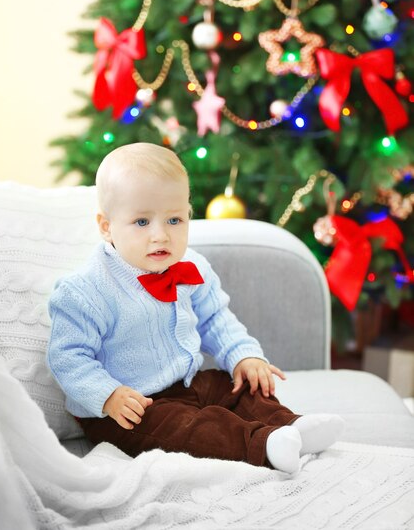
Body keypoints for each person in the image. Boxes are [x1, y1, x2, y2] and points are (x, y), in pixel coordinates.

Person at [47, 142, 344, 474]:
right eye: (142, 222)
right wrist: (108, 395)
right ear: (106, 226)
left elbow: (215, 320)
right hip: (129, 409)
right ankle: (262, 444)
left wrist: (243, 355)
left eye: (174, 219)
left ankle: (289, 425)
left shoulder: (192, 267)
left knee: (235, 384)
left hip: (186, 382)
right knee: (191, 427)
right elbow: (68, 358)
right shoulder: (85, 291)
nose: (161, 236)